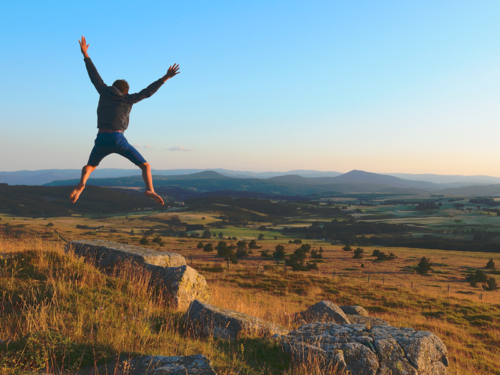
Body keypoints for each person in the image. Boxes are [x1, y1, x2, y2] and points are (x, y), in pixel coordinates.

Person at [70, 36, 180, 205]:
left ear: (112, 87)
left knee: (89, 166)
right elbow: (148, 91)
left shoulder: (103, 92)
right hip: (117, 138)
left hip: (101, 138)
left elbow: (94, 75)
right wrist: (166, 77)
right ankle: (150, 189)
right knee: (145, 166)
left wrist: (85, 54)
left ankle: (82, 184)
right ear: (126, 92)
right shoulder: (129, 99)